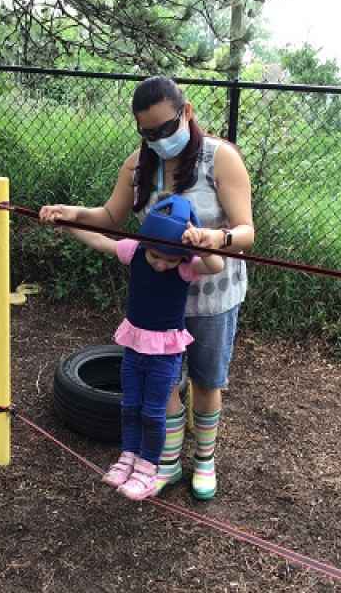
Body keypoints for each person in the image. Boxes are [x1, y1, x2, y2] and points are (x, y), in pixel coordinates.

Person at [40, 75, 254, 500]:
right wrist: (71, 214)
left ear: (187, 112)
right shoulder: (141, 162)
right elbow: (109, 218)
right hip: (158, 301)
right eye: (147, 132)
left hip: (211, 293)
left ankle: (205, 461)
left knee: (207, 382)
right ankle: (168, 462)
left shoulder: (220, 158)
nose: (157, 139)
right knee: (164, 384)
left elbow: (246, 231)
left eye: (164, 128)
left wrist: (215, 239)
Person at [64, 195, 224, 500]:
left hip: (165, 353)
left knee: (153, 412)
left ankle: (148, 468)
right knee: (130, 406)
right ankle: (128, 458)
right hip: (135, 346)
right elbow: (99, 241)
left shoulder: (187, 266)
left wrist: (201, 241)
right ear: (146, 243)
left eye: (171, 259)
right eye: (156, 256)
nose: (162, 264)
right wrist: (65, 223)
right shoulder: (135, 251)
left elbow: (215, 265)